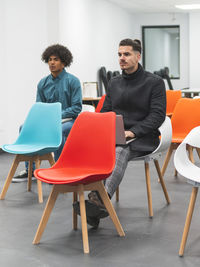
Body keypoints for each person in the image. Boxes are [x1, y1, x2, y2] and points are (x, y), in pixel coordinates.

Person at [73, 38, 166, 228]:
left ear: (138, 56)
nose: (122, 58)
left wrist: (132, 132)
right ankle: (95, 205)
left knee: (119, 150)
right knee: (97, 149)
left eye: (127, 54)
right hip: (116, 134)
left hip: (143, 136)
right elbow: (106, 110)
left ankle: (99, 199)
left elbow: (157, 116)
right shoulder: (114, 82)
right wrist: (99, 128)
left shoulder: (154, 82)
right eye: (119, 54)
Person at [12, 44, 82, 182]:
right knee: (23, 127)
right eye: (49, 59)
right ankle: (30, 170)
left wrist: (56, 115)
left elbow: (76, 108)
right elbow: (40, 107)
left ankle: (58, 167)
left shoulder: (73, 81)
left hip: (69, 121)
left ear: (63, 62)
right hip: (48, 121)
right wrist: (46, 118)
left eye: (55, 59)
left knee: (59, 130)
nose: (52, 62)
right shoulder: (43, 83)